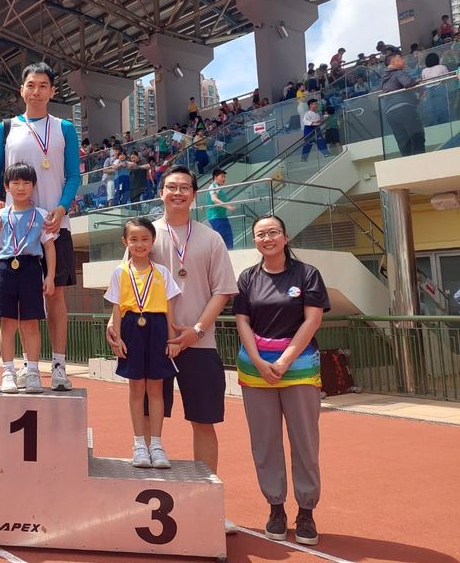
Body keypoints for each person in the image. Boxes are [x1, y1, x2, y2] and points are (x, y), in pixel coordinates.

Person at [107, 165, 238, 531]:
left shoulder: (211, 238)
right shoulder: (144, 233)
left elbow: (223, 291)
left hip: (198, 343)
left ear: (194, 194)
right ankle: (148, 504)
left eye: (184, 187)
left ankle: (207, 505)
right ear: (160, 192)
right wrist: (112, 324)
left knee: (203, 421)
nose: (178, 192)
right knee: (150, 418)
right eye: (171, 187)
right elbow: (125, 283)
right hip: (151, 342)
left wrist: (196, 330)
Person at [233, 215, 330, 547]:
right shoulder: (248, 278)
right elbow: (242, 321)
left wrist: (285, 360)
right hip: (256, 369)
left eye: (273, 232)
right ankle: (276, 508)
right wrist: (259, 361)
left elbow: (312, 319)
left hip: (299, 368)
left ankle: (306, 512)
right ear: (255, 241)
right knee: (265, 442)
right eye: (261, 234)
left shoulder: (307, 274)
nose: (267, 238)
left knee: (305, 441)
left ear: (285, 237)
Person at [0, 62, 80, 392]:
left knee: (54, 294)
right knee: (17, 303)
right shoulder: (7, 127)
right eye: (31, 85)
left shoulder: (65, 128)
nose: (36, 91)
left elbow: (74, 175)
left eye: (43, 86)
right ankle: (26, 366)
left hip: (53, 224)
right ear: (21, 90)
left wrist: (62, 206)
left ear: (52, 91)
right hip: (14, 227)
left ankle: (59, 366)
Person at [105, 217, 181, 469]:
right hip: (131, 329)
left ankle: (156, 445)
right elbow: (117, 308)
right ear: (124, 242)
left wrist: (172, 339)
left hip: (157, 328)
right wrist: (117, 338)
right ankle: (139, 444)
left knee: (156, 389)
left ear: (153, 240)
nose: (140, 244)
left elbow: (169, 308)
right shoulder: (120, 272)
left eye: (145, 239)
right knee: (136, 389)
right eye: (134, 239)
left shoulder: (162, 272)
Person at [0, 163, 57, 394]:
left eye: (26, 182)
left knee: (30, 323)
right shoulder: (0, 216)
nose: (21, 187)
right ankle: (8, 371)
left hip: (31, 268)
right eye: (15, 183)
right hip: (5, 269)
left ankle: (33, 372)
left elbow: (49, 247)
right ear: (6, 186)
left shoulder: (41, 215)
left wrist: (50, 276)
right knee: (7, 322)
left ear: (33, 186)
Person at [380, 51, 426, 157]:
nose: (403, 60)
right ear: (393, 61)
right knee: (417, 135)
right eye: (400, 58)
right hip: (404, 108)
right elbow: (408, 83)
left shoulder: (384, 79)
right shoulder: (398, 72)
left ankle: (407, 162)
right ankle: (419, 161)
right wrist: (418, 83)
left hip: (390, 113)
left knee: (403, 141)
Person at [205, 168, 236, 249]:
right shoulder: (213, 186)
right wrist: (228, 206)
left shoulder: (218, 188)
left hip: (221, 217)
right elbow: (214, 199)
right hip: (216, 217)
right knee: (223, 239)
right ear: (215, 177)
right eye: (222, 176)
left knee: (227, 238)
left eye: (224, 177)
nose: (224, 178)